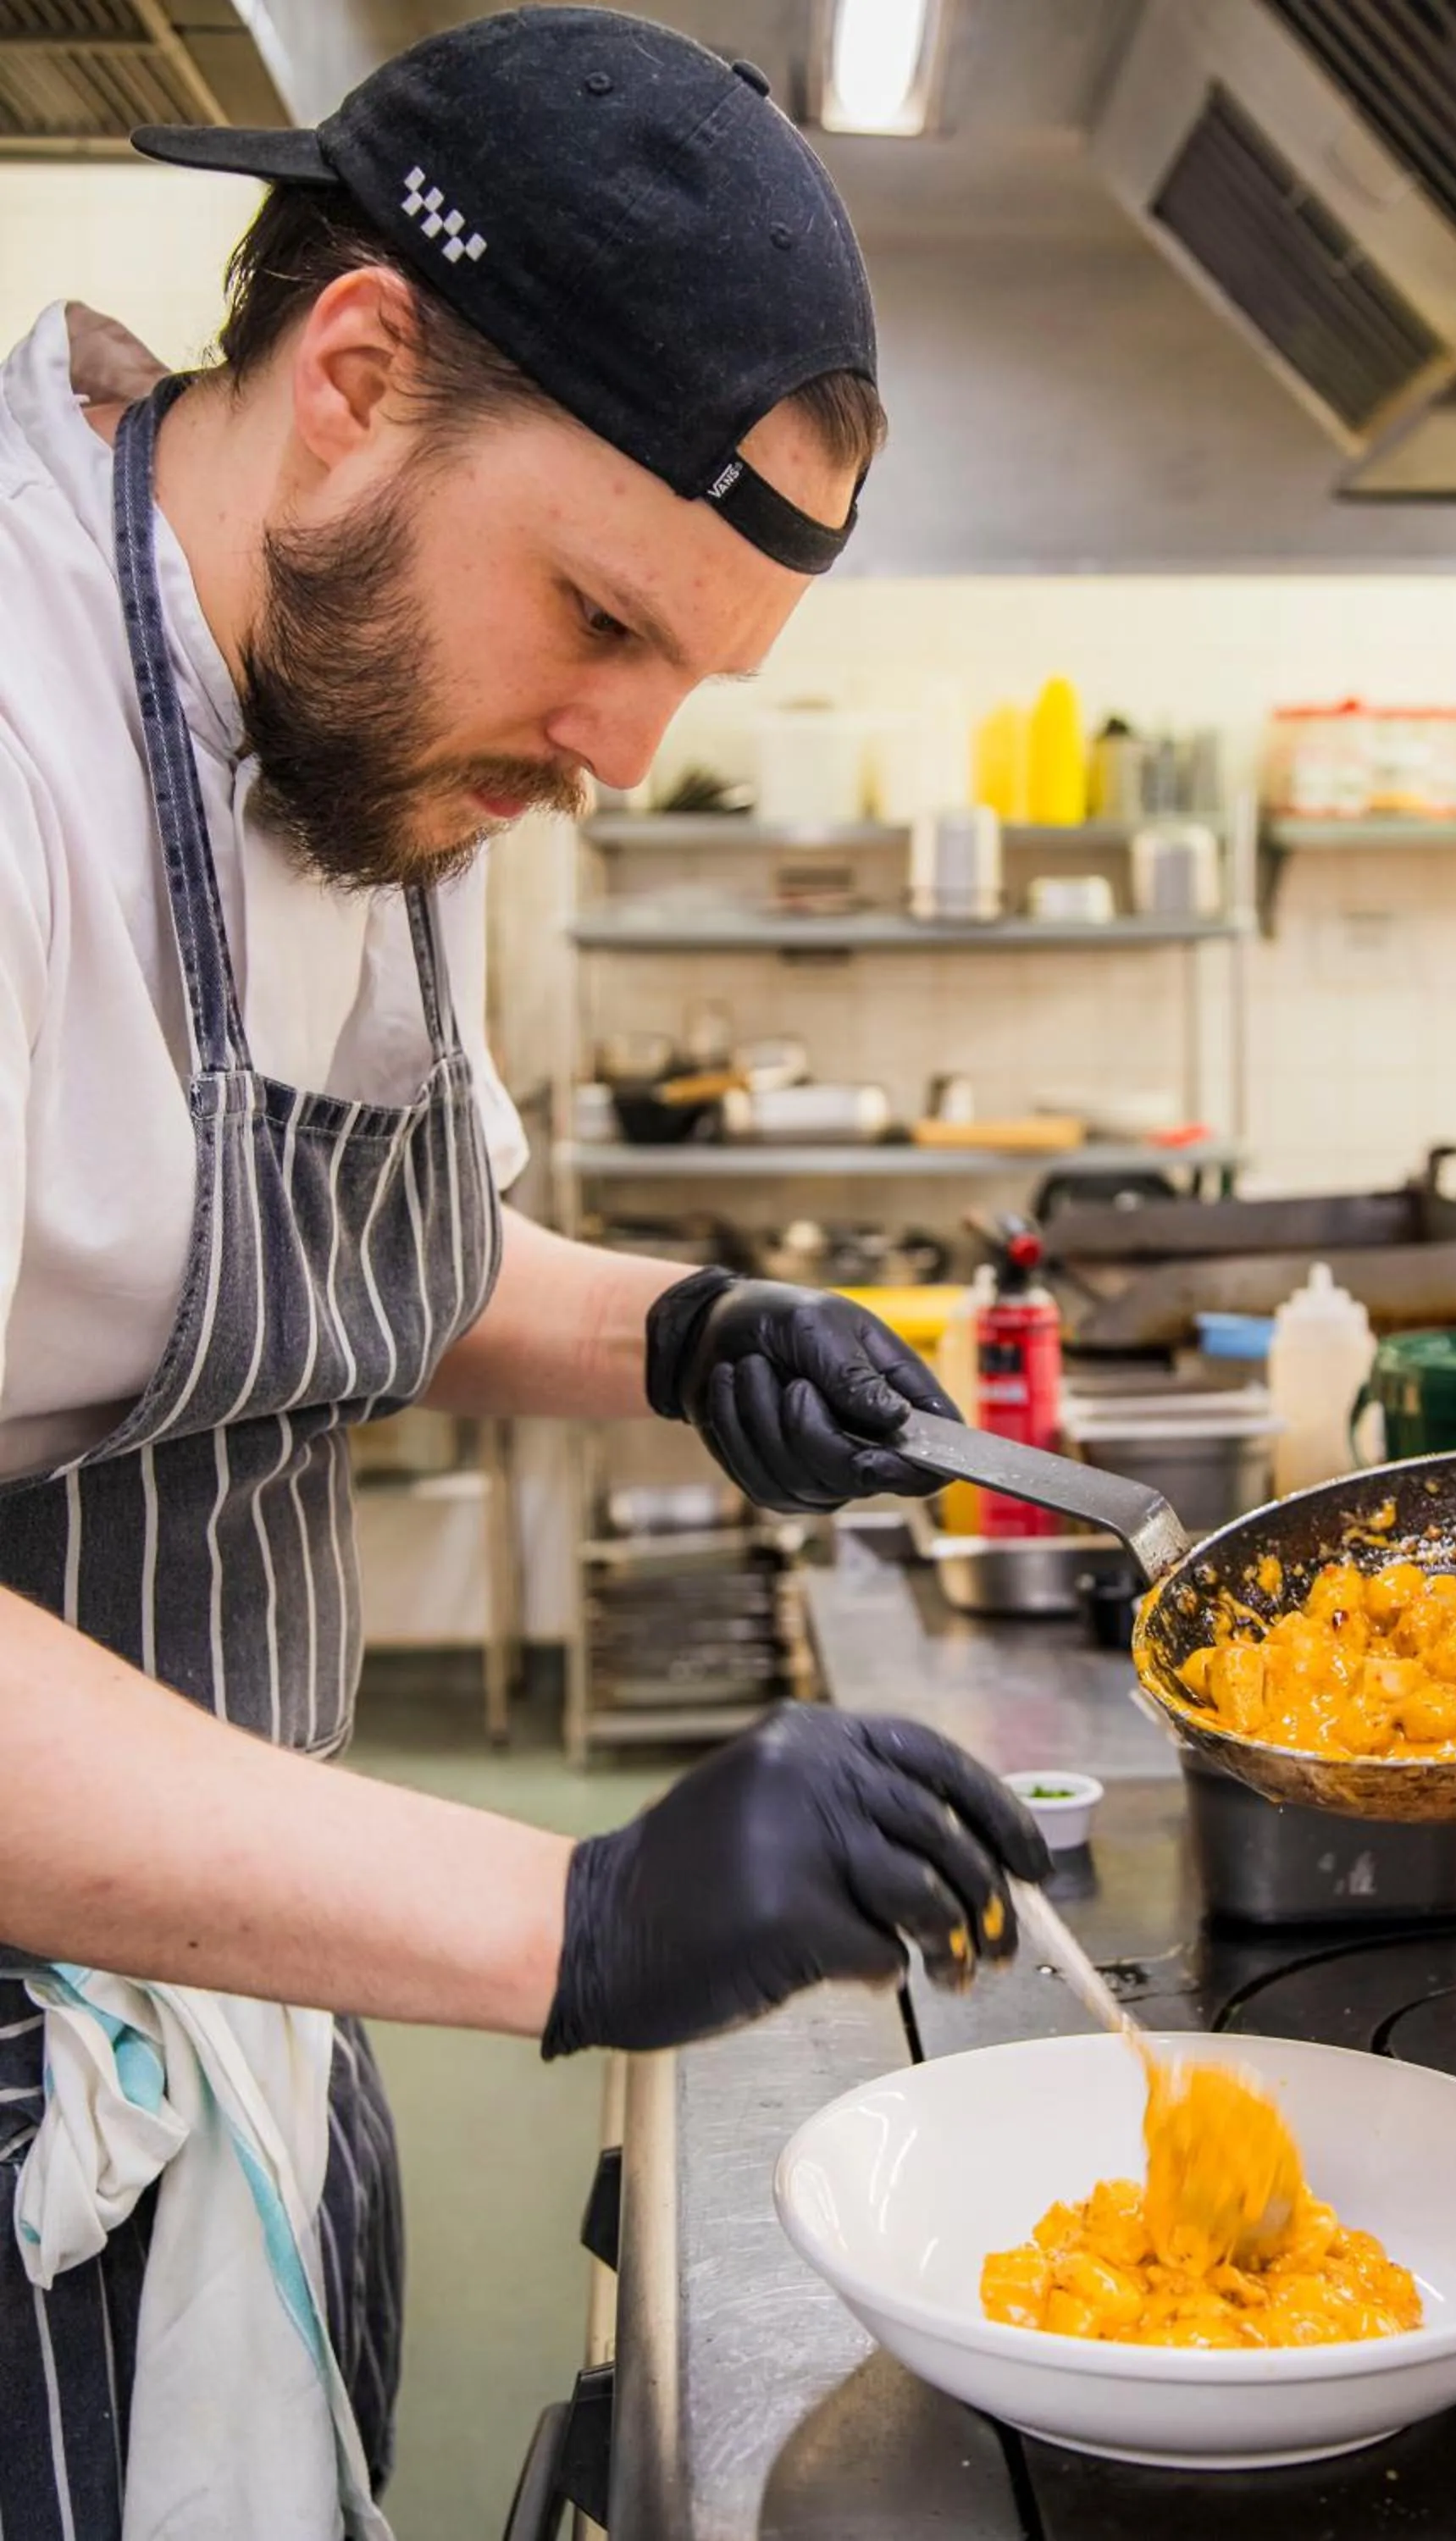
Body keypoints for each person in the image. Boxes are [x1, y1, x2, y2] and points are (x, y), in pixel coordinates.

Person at [0, 11, 1048, 2531]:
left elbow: (291, 1250)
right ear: (355, 376)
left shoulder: (362, 726)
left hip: (240, 1977)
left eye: (685, 672)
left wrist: (674, 1335)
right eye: (600, 617)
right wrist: (571, 1913)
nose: (617, 748)